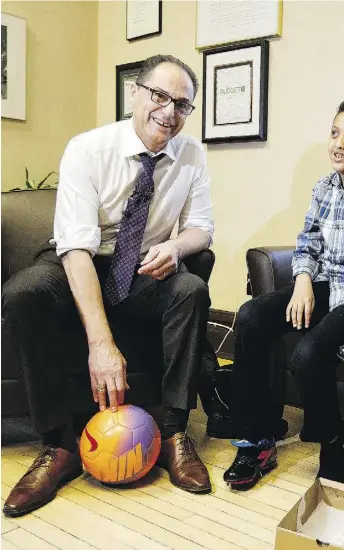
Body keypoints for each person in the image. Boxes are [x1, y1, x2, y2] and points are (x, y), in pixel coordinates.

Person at [3, 54, 215, 517]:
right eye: (160, 96)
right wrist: (100, 343)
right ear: (135, 94)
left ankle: (175, 432)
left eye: (182, 104)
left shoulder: (192, 154)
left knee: (191, 290)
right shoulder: (87, 149)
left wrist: (177, 248)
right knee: (24, 293)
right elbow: (76, 246)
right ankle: (58, 445)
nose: (169, 111)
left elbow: (202, 228)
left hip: (142, 268)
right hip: (80, 260)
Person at [222, 98, 344, 490]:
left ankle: (331, 445)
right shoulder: (323, 188)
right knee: (251, 315)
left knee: (308, 353)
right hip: (325, 286)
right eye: (334, 133)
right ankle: (256, 439)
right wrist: (300, 283)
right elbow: (308, 243)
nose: (339, 144)